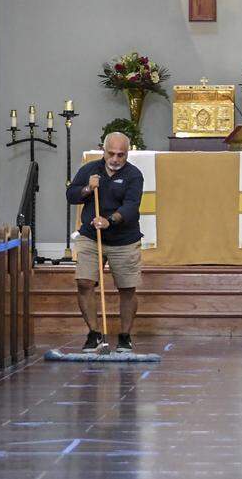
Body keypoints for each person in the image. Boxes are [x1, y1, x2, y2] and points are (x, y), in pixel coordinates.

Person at [65, 132, 144, 352]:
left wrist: (109, 221)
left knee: (127, 288)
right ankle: (94, 334)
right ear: (104, 150)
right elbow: (71, 196)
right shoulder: (89, 170)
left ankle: (125, 336)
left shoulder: (134, 175)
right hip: (92, 236)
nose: (116, 159)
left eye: (121, 154)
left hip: (124, 238)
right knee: (84, 283)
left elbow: (131, 206)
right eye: (112, 153)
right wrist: (88, 189)